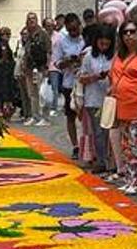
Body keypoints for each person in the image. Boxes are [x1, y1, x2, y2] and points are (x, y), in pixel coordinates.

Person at [109, 19, 137, 194]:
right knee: (125, 145)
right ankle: (129, 178)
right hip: (120, 106)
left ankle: (136, 180)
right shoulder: (119, 55)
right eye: (125, 32)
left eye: (133, 32)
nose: (129, 36)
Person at [78, 25, 116, 173]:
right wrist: (95, 76)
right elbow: (81, 77)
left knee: (110, 132)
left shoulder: (115, 56)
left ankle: (112, 161)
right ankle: (100, 161)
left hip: (110, 98)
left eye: (107, 44)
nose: (104, 47)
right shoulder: (89, 57)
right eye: (101, 44)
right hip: (93, 99)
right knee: (98, 132)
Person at [53, 14, 86, 157]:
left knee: (86, 117)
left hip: (86, 83)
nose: (73, 32)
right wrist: (67, 61)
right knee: (70, 116)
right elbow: (57, 63)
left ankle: (88, 146)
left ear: (79, 25)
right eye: (70, 29)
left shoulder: (86, 39)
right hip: (69, 83)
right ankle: (75, 146)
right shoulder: (61, 41)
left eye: (75, 28)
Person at [23, 15, 50, 126]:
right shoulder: (28, 35)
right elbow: (26, 51)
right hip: (30, 68)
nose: (31, 21)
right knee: (32, 94)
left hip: (40, 67)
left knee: (42, 93)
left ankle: (45, 117)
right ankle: (35, 116)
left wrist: (47, 67)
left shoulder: (43, 34)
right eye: (29, 19)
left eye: (33, 18)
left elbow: (48, 51)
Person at [0, 34, 17, 118]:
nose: (7, 36)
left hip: (8, 71)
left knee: (8, 90)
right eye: (4, 34)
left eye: (8, 34)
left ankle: (8, 108)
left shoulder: (7, 46)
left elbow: (11, 58)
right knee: (0, 90)